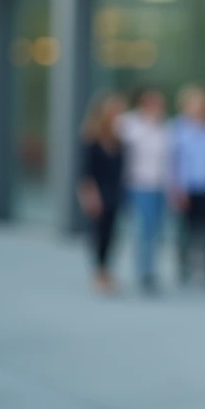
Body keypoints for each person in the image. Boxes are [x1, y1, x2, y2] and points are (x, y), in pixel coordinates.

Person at [169, 84, 205, 289]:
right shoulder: (178, 129)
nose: (200, 108)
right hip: (186, 187)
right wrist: (176, 187)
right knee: (185, 230)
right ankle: (184, 268)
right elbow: (174, 161)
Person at [117, 87, 171, 295]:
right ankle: (143, 271)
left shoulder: (164, 126)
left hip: (159, 185)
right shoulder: (129, 124)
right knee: (143, 229)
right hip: (139, 184)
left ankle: (151, 269)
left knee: (156, 229)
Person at [77, 90, 128, 295]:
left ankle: (106, 271)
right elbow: (86, 171)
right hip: (97, 192)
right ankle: (98, 272)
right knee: (98, 233)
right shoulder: (91, 138)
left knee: (112, 233)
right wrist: (89, 195)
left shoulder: (119, 140)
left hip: (115, 191)